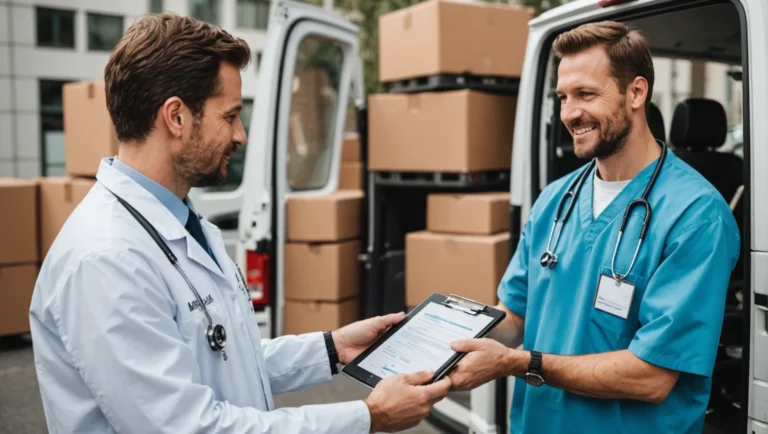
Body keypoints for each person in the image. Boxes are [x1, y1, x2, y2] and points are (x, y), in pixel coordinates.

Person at [28, 12, 450, 434]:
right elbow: (187, 427)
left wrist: (333, 348)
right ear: (176, 117)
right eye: (230, 116)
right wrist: (368, 416)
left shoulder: (181, 222)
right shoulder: (106, 259)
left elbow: (223, 357)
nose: (240, 134)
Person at [446, 21, 741, 433]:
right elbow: (516, 314)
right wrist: (445, 339)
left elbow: (652, 376)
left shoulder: (695, 214)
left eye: (586, 94)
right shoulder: (556, 199)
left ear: (636, 92)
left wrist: (517, 363)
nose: (570, 113)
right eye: (563, 97)